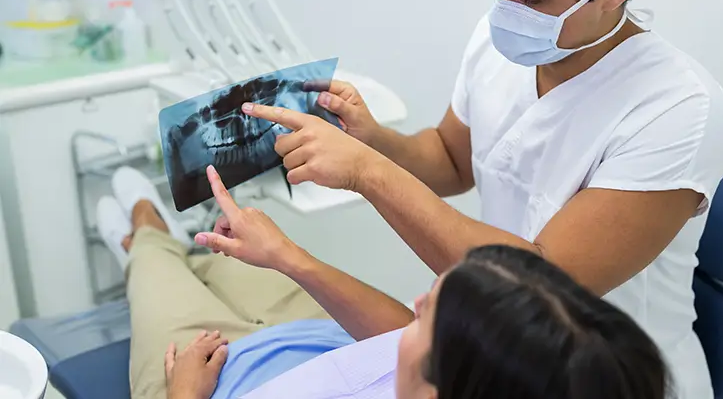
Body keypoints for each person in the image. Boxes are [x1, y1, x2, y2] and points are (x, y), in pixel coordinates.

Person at [217, 0, 723, 398]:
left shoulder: (680, 109)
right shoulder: (501, 42)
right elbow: (448, 157)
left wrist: (368, 172)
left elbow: (538, 284)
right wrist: (373, 139)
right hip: (483, 352)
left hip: (593, 379)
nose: (506, 12)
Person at [98, 166, 669, 399]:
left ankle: (144, 230)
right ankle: (174, 241)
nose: (414, 303)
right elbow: (399, 331)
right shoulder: (500, 371)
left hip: (204, 373)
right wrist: (290, 258)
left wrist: (182, 396)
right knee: (222, 256)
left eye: (428, 313)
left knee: (153, 267)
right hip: (312, 334)